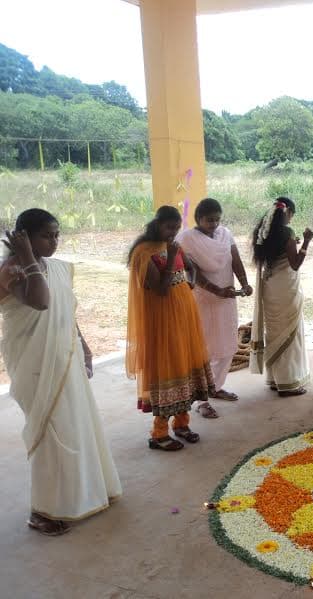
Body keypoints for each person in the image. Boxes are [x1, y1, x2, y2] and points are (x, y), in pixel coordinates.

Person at [0, 209, 121, 535]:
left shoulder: (57, 268)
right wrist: (26, 256)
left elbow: (66, 309)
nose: (54, 241)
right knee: (51, 434)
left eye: (57, 235)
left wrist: (83, 345)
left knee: (76, 426)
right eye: (46, 236)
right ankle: (42, 511)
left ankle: (90, 492)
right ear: (23, 236)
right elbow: (41, 303)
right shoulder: (11, 271)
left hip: (65, 357)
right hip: (35, 364)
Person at [127, 205, 216, 449]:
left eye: (177, 228)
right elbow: (161, 288)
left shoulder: (174, 247)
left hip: (185, 316)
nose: (173, 232)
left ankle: (182, 424)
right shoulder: (143, 253)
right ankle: (158, 434)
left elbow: (191, 268)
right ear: (157, 224)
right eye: (169, 227)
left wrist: (190, 284)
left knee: (186, 365)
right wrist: (169, 258)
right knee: (169, 368)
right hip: (163, 321)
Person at [176, 198, 252, 402]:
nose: (214, 224)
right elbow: (193, 272)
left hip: (226, 298)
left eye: (217, 220)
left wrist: (244, 283)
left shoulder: (225, 234)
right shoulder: (187, 239)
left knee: (227, 344)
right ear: (199, 219)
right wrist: (216, 290)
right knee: (206, 347)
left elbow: (235, 259)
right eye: (210, 220)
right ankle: (202, 398)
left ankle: (216, 387)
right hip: (204, 298)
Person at [250, 197, 313, 396]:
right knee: (289, 333)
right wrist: (306, 242)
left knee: (275, 331)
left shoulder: (262, 232)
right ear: (288, 213)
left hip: (270, 287)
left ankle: (275, 379)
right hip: (285, 288)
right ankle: (288, 382)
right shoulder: (287, 232)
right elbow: (295, 263)